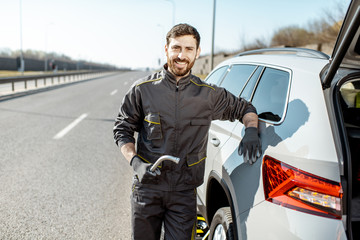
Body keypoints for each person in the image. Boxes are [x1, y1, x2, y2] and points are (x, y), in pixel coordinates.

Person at [113, 23, 262, 240]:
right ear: (166, 49)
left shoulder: (208, 96)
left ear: (197, 53)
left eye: (188, 49)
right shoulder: (142, 90)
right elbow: (122, 129)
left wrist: (251, 130)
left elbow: (245, 108)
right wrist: (135, 161)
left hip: (183, 195)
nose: (181, 55)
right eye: (176, 48)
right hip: (147, 190)